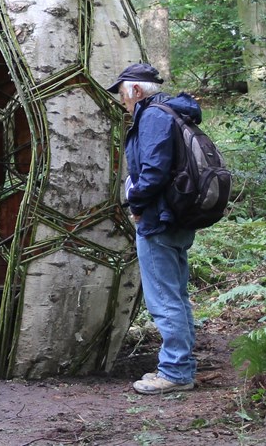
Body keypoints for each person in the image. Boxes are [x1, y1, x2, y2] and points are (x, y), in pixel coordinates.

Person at [107, 63, 201, 395]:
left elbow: (153, 172)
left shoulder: (152, 117)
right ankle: (181, 367)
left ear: (135, 90)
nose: (121, 101)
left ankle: (175, 372)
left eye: (121, 93)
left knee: (164, 299)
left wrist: (135, 203)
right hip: (177, 217)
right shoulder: (173, 113)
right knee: (176, 296)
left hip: (158, 220)